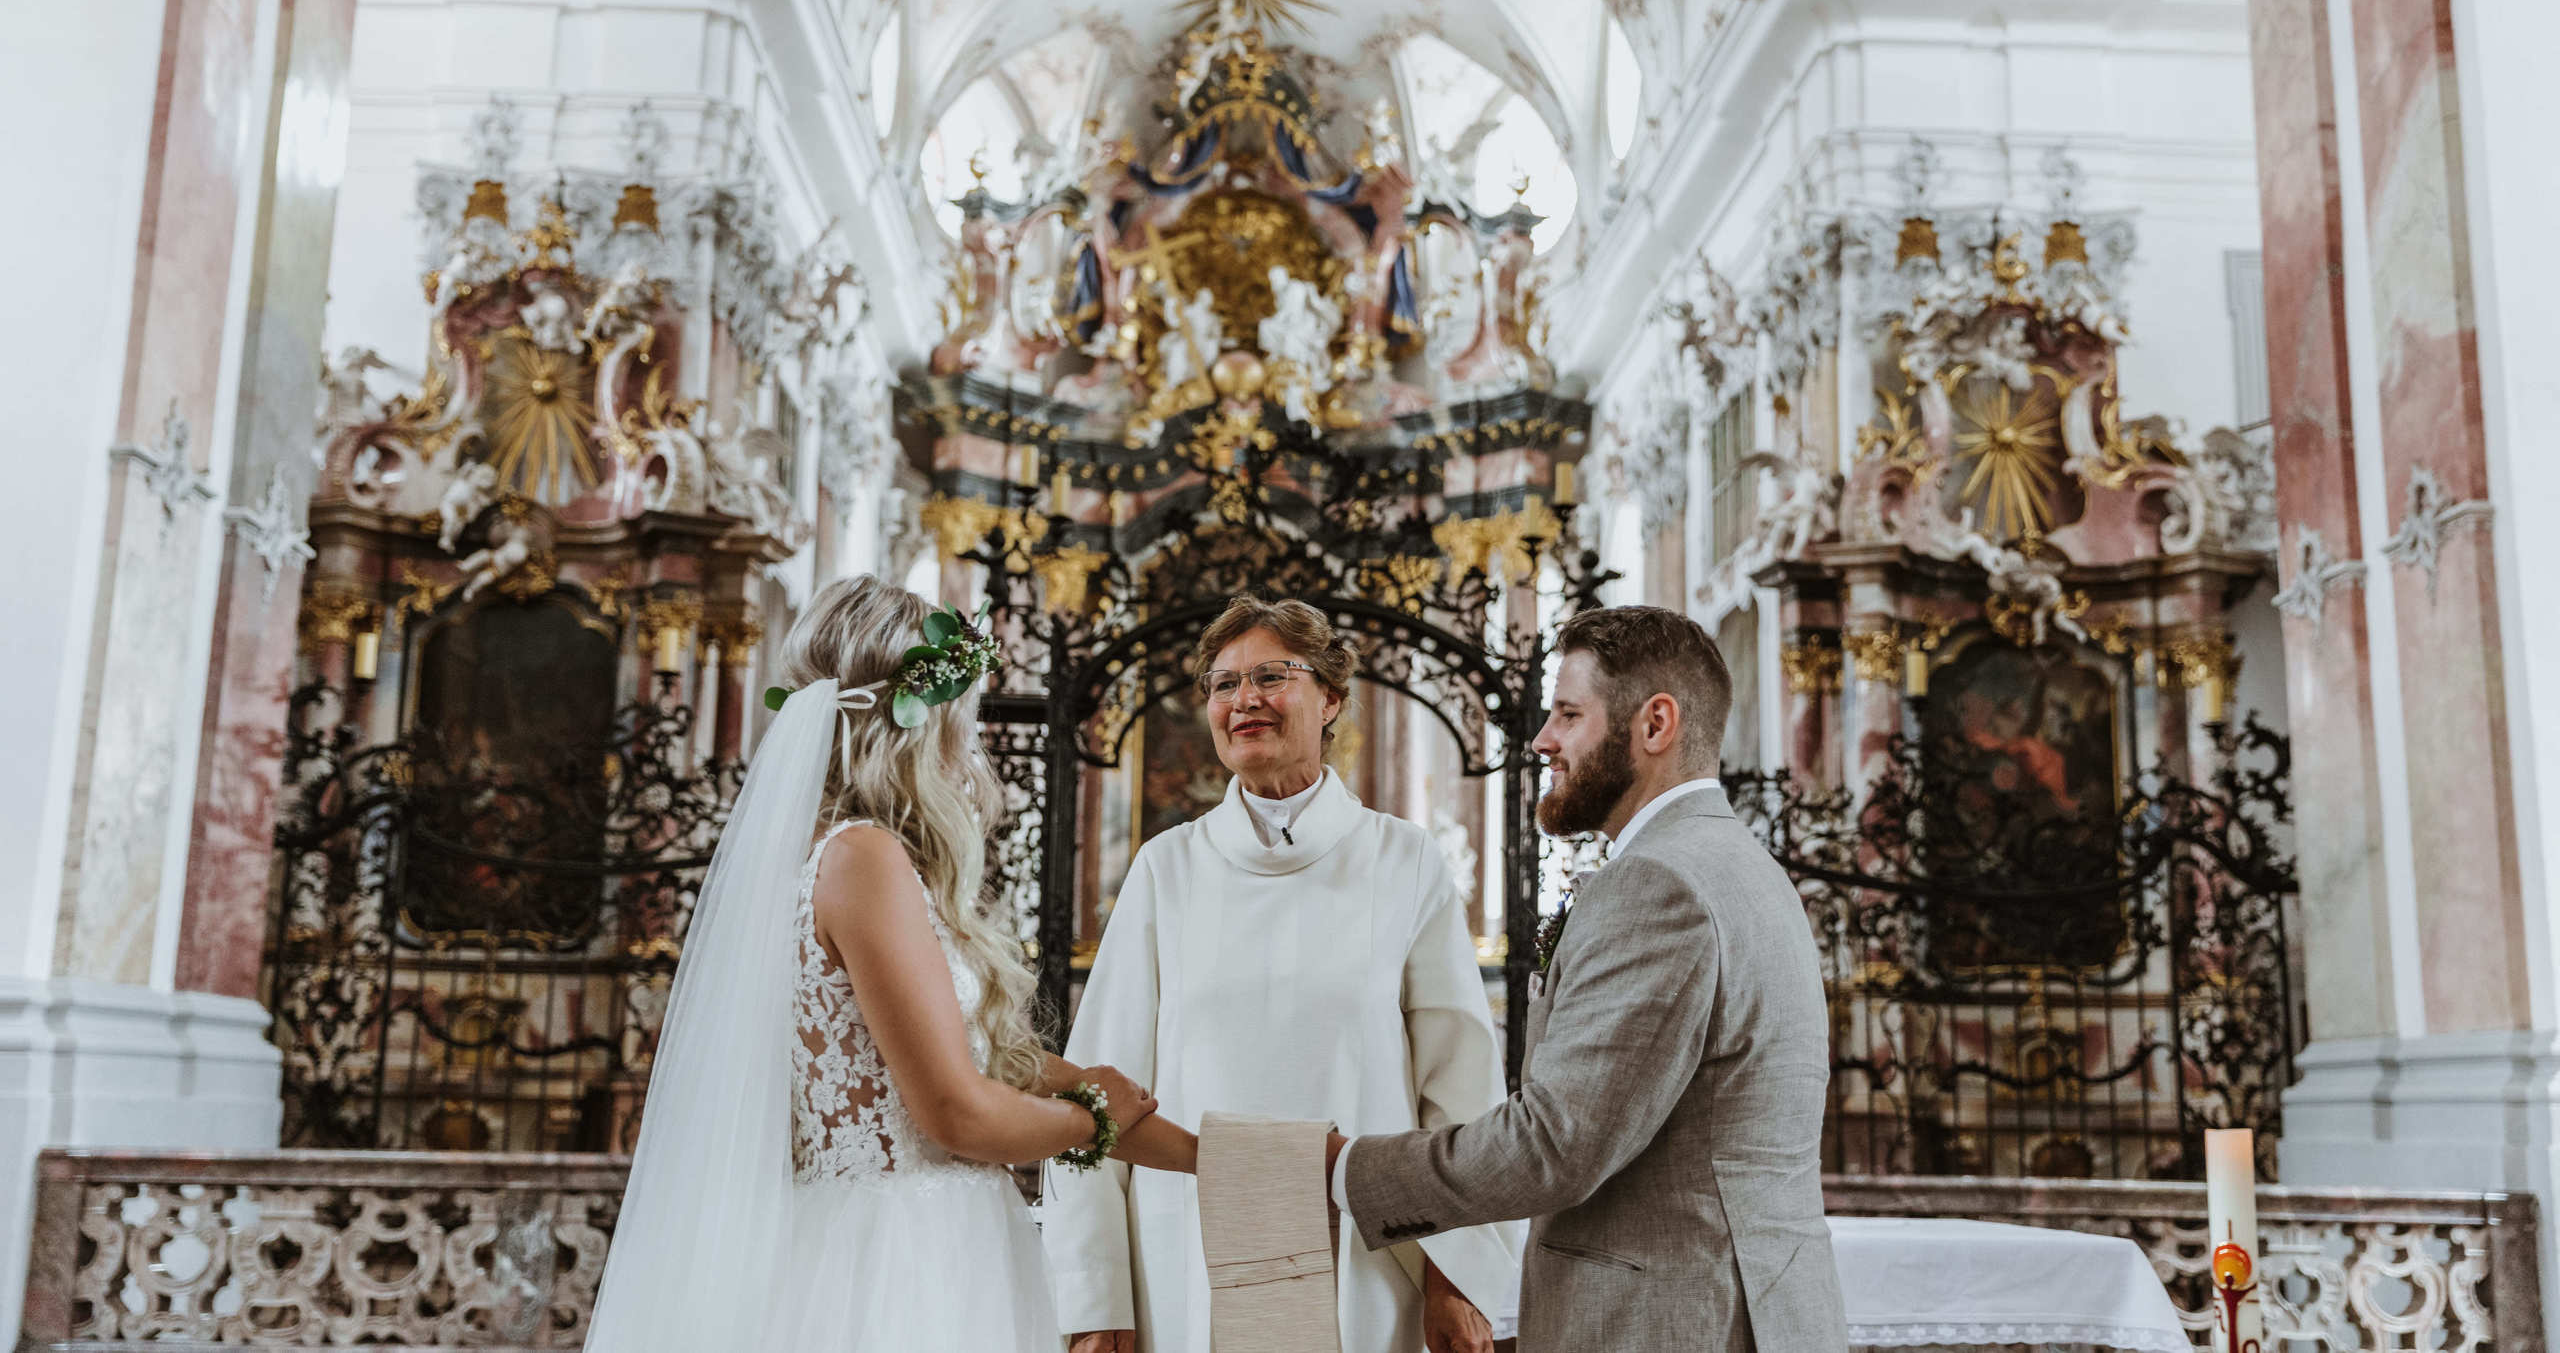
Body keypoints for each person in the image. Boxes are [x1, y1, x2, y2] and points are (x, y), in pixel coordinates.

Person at [588, 576, 1196, 1352]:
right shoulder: (862, 861)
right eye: (962, 719)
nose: (967, 747)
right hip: (901, 1258)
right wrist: (1089, 1116)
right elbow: (956, 1111)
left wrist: (1160, 1130)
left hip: (890, 1237)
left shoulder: (825, 858)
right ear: (920, 720)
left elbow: (964, 1064)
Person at [1327, 605, 1847, 1352]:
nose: (1543, 738)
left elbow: (1553, 1145)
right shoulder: (1744, 866)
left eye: (1569, 713)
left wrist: (1348, 1167)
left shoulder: (1660, 884)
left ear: (1655, 724)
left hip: (1671, 1323)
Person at [1046, 595, 1523, 1353]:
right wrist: (1095, 1299)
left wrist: (1455, 1274)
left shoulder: (1404, 864)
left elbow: (1461, 1097)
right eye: (1223, 683)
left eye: (1272, 675)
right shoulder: (1165, 870)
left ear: (1331, 696)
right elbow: (1097, 1093)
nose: (1245, 700)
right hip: (1184, 1258)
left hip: (1363, 1258)